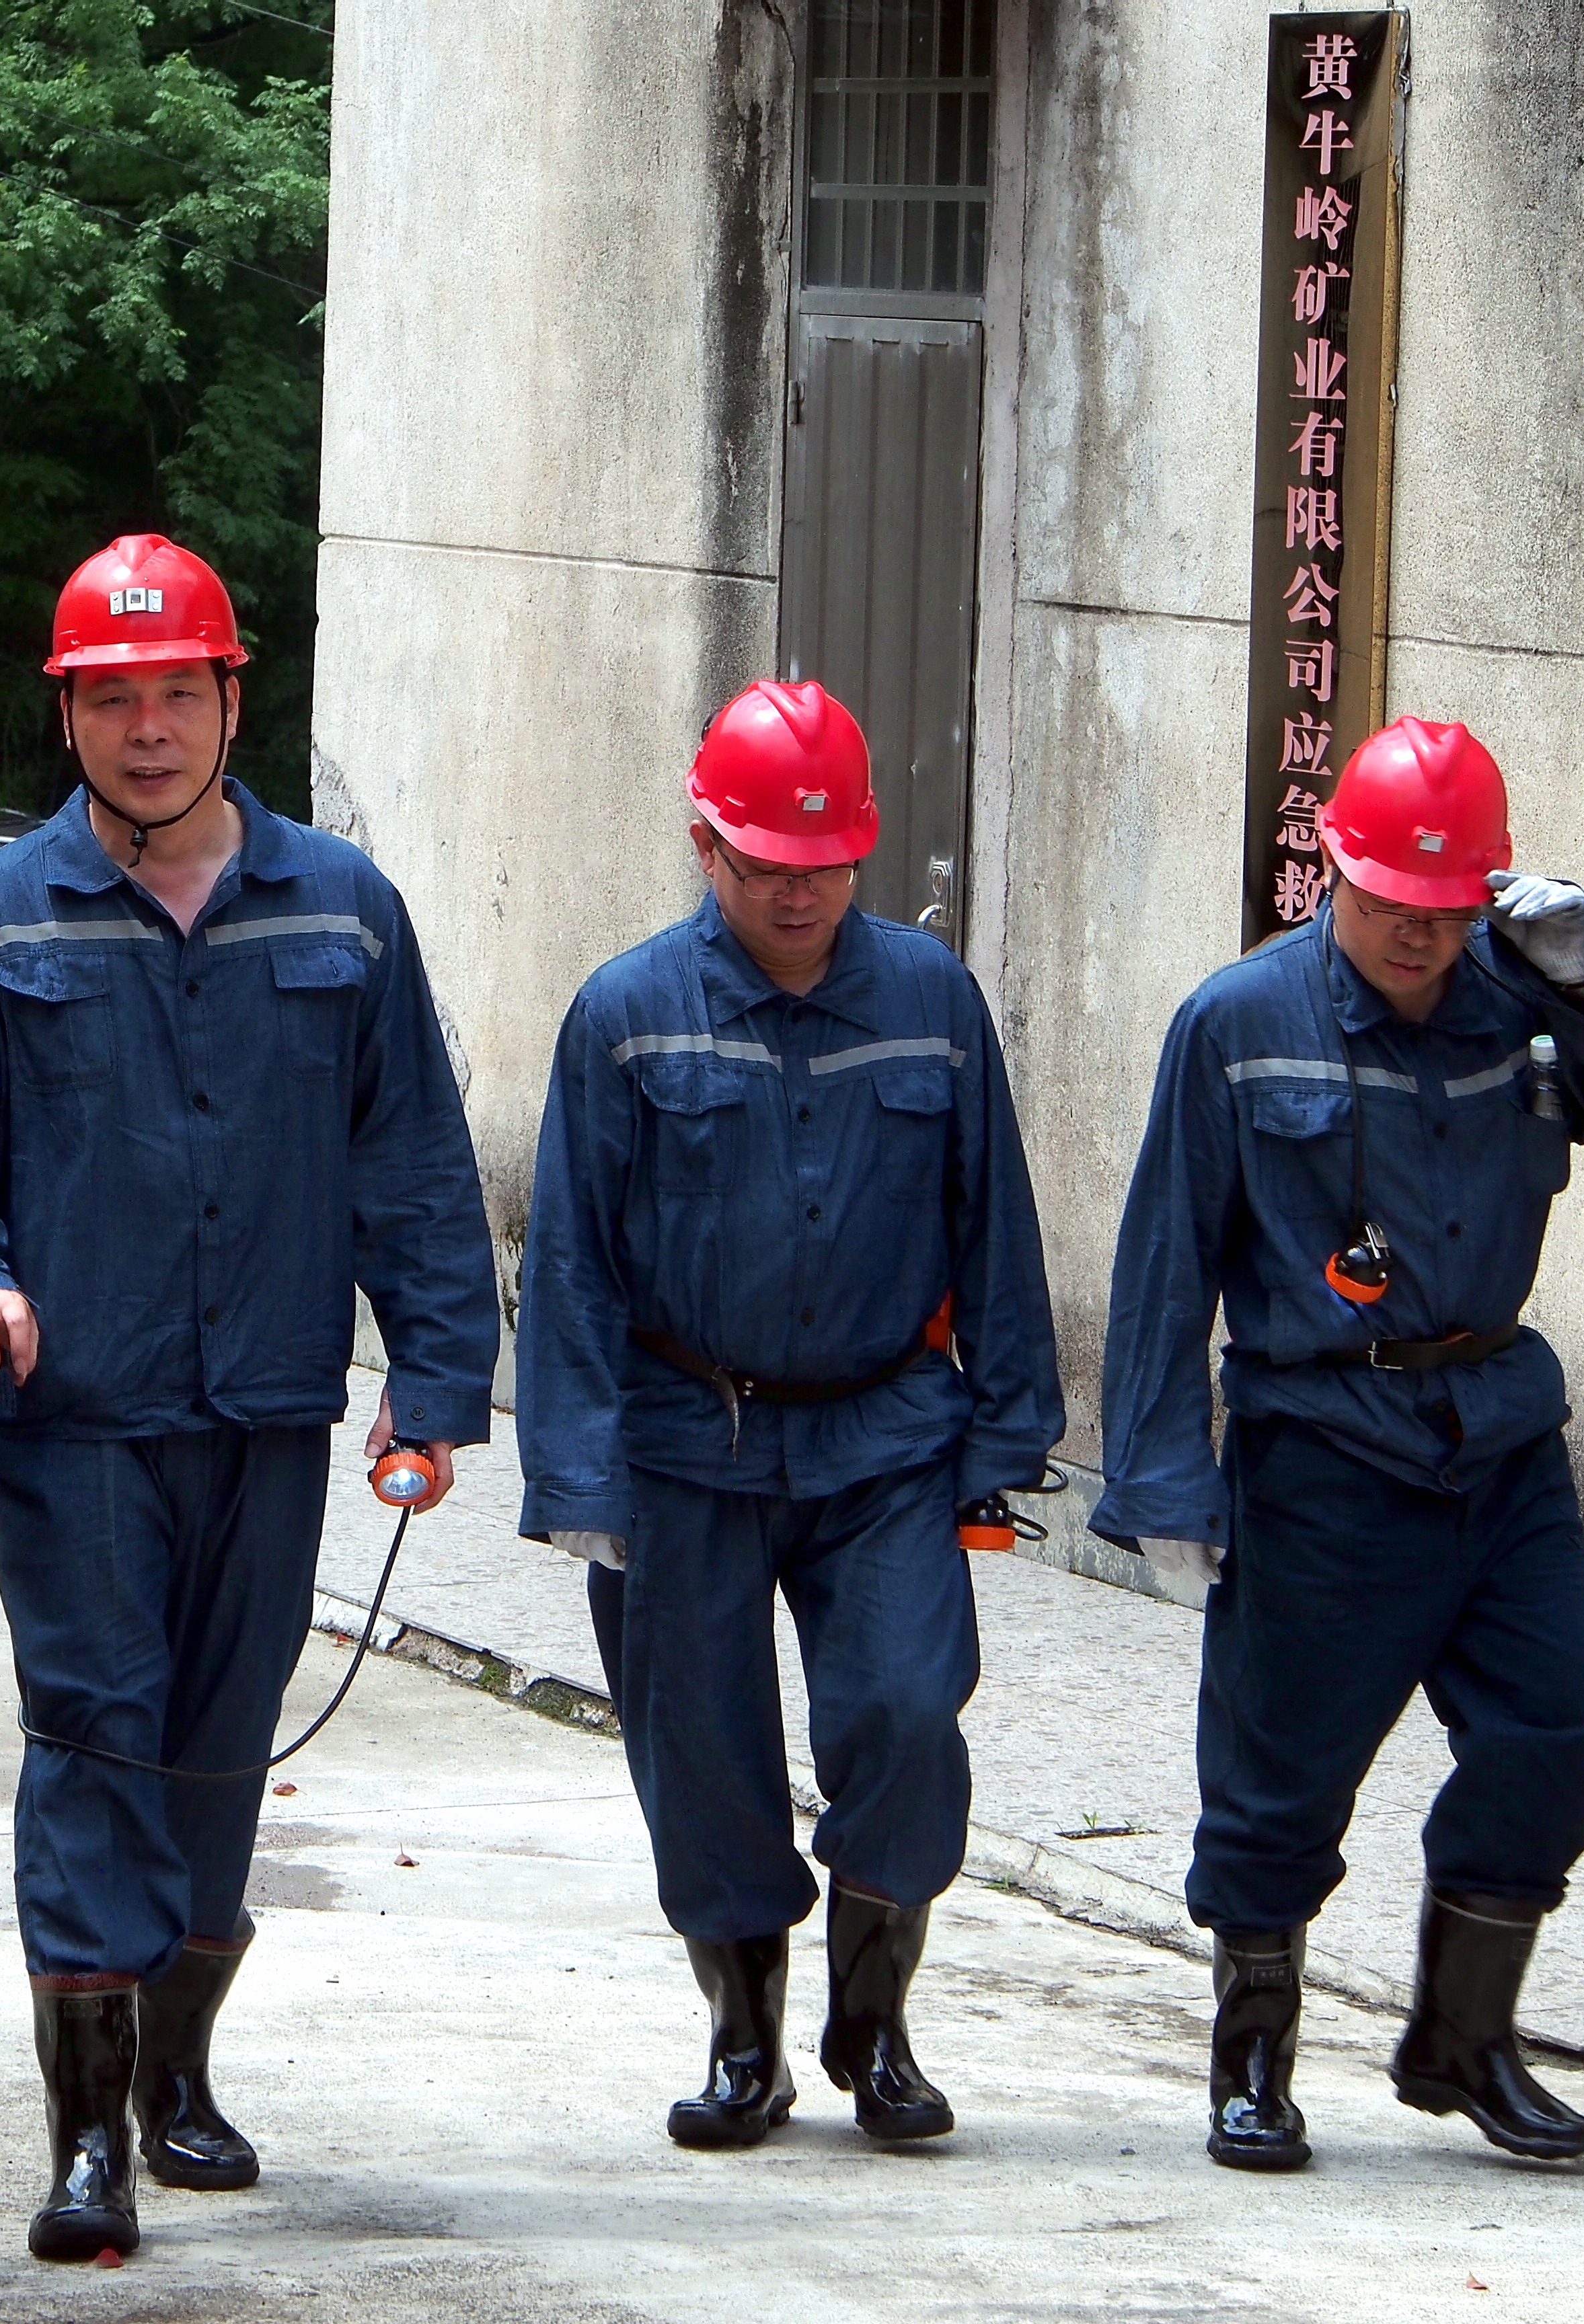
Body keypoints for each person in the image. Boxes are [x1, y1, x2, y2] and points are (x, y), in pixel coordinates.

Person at [0, 533, 498, 2260]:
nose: (148, 729)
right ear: (67, 714)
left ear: (233, 696)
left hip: (269, 1416)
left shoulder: (344, 911)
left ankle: (178, 2069)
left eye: (178, 691)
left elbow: (415, 1165)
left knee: (220, 1752)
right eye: (112, 699)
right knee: (91, 1740)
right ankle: (86, 2144)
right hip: (76, 1427)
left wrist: (435, 1381)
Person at [1095, 715, 1584, 2173]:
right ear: (1331, 873)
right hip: (1325, 1444)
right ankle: (1253, 2058)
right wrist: (1163, 1486)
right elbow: (1166, 1260)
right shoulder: (1239, 1023)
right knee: (1282, 1775)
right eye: (1390, 907)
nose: (1420, 939)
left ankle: (1462, 2037)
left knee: (1556, 1726)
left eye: (1447, 910)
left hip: (1497, 1431)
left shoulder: (1518, 994)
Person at [517, 679, 1063, 2151]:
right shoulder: (628, 1015)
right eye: (764, 865)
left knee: (902, 1711)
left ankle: (873, 2025)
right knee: (698, 1746)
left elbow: (993, 1219)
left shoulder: (932, 1002)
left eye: (824, 865)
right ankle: (744, 2034)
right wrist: (574, 1475)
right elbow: (569, 1254)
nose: (797, 891)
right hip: (685, 1438)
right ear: (705, 845)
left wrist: (1007, 1435)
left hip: (886, 1434)